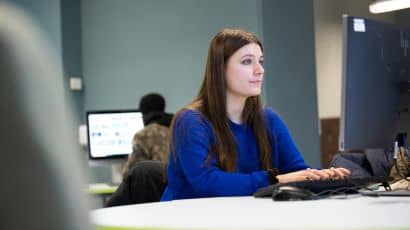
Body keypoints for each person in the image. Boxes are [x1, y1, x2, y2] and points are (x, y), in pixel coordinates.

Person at [161, 28, 350, 201]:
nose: (259, 70)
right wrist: (274, 179)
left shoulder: (268, 119)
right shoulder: (191, 121)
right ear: (220, 69)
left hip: (241, 217)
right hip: (190, 220)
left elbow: (295, 170)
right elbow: (206, 183)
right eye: (246, 62)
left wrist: (321, 177)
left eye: (260, 61)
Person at [121, 93, 173, 178]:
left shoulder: (144, 135)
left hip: (160, 188)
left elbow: (129, 174)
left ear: (143, 114)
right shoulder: (179, 127)